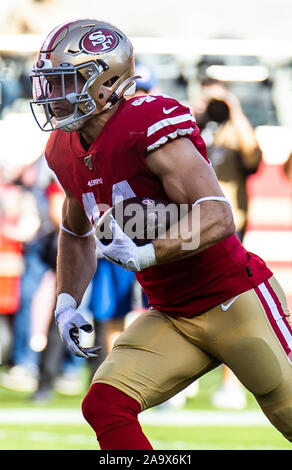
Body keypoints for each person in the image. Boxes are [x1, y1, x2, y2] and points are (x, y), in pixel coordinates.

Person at [30, 19, 292, 450]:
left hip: (233, 300)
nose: (52, 97)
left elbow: (217, 216)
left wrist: (147, 253)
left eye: (64, 82)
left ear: (104, 81)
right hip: (172, 312)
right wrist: (66, 302)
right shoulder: (63, 147)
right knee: (105, 404)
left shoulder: (147, 121)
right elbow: (75, 231)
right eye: (49, 84)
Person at [193, 78, 263, 409]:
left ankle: (230, 383)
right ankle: (180, 382)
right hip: (191, 229)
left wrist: (233, 108)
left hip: (229, 229)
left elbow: (252, 156)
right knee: (187, 304)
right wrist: (198, 113)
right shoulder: (195, 131)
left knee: (231, 307)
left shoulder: (236, 133)